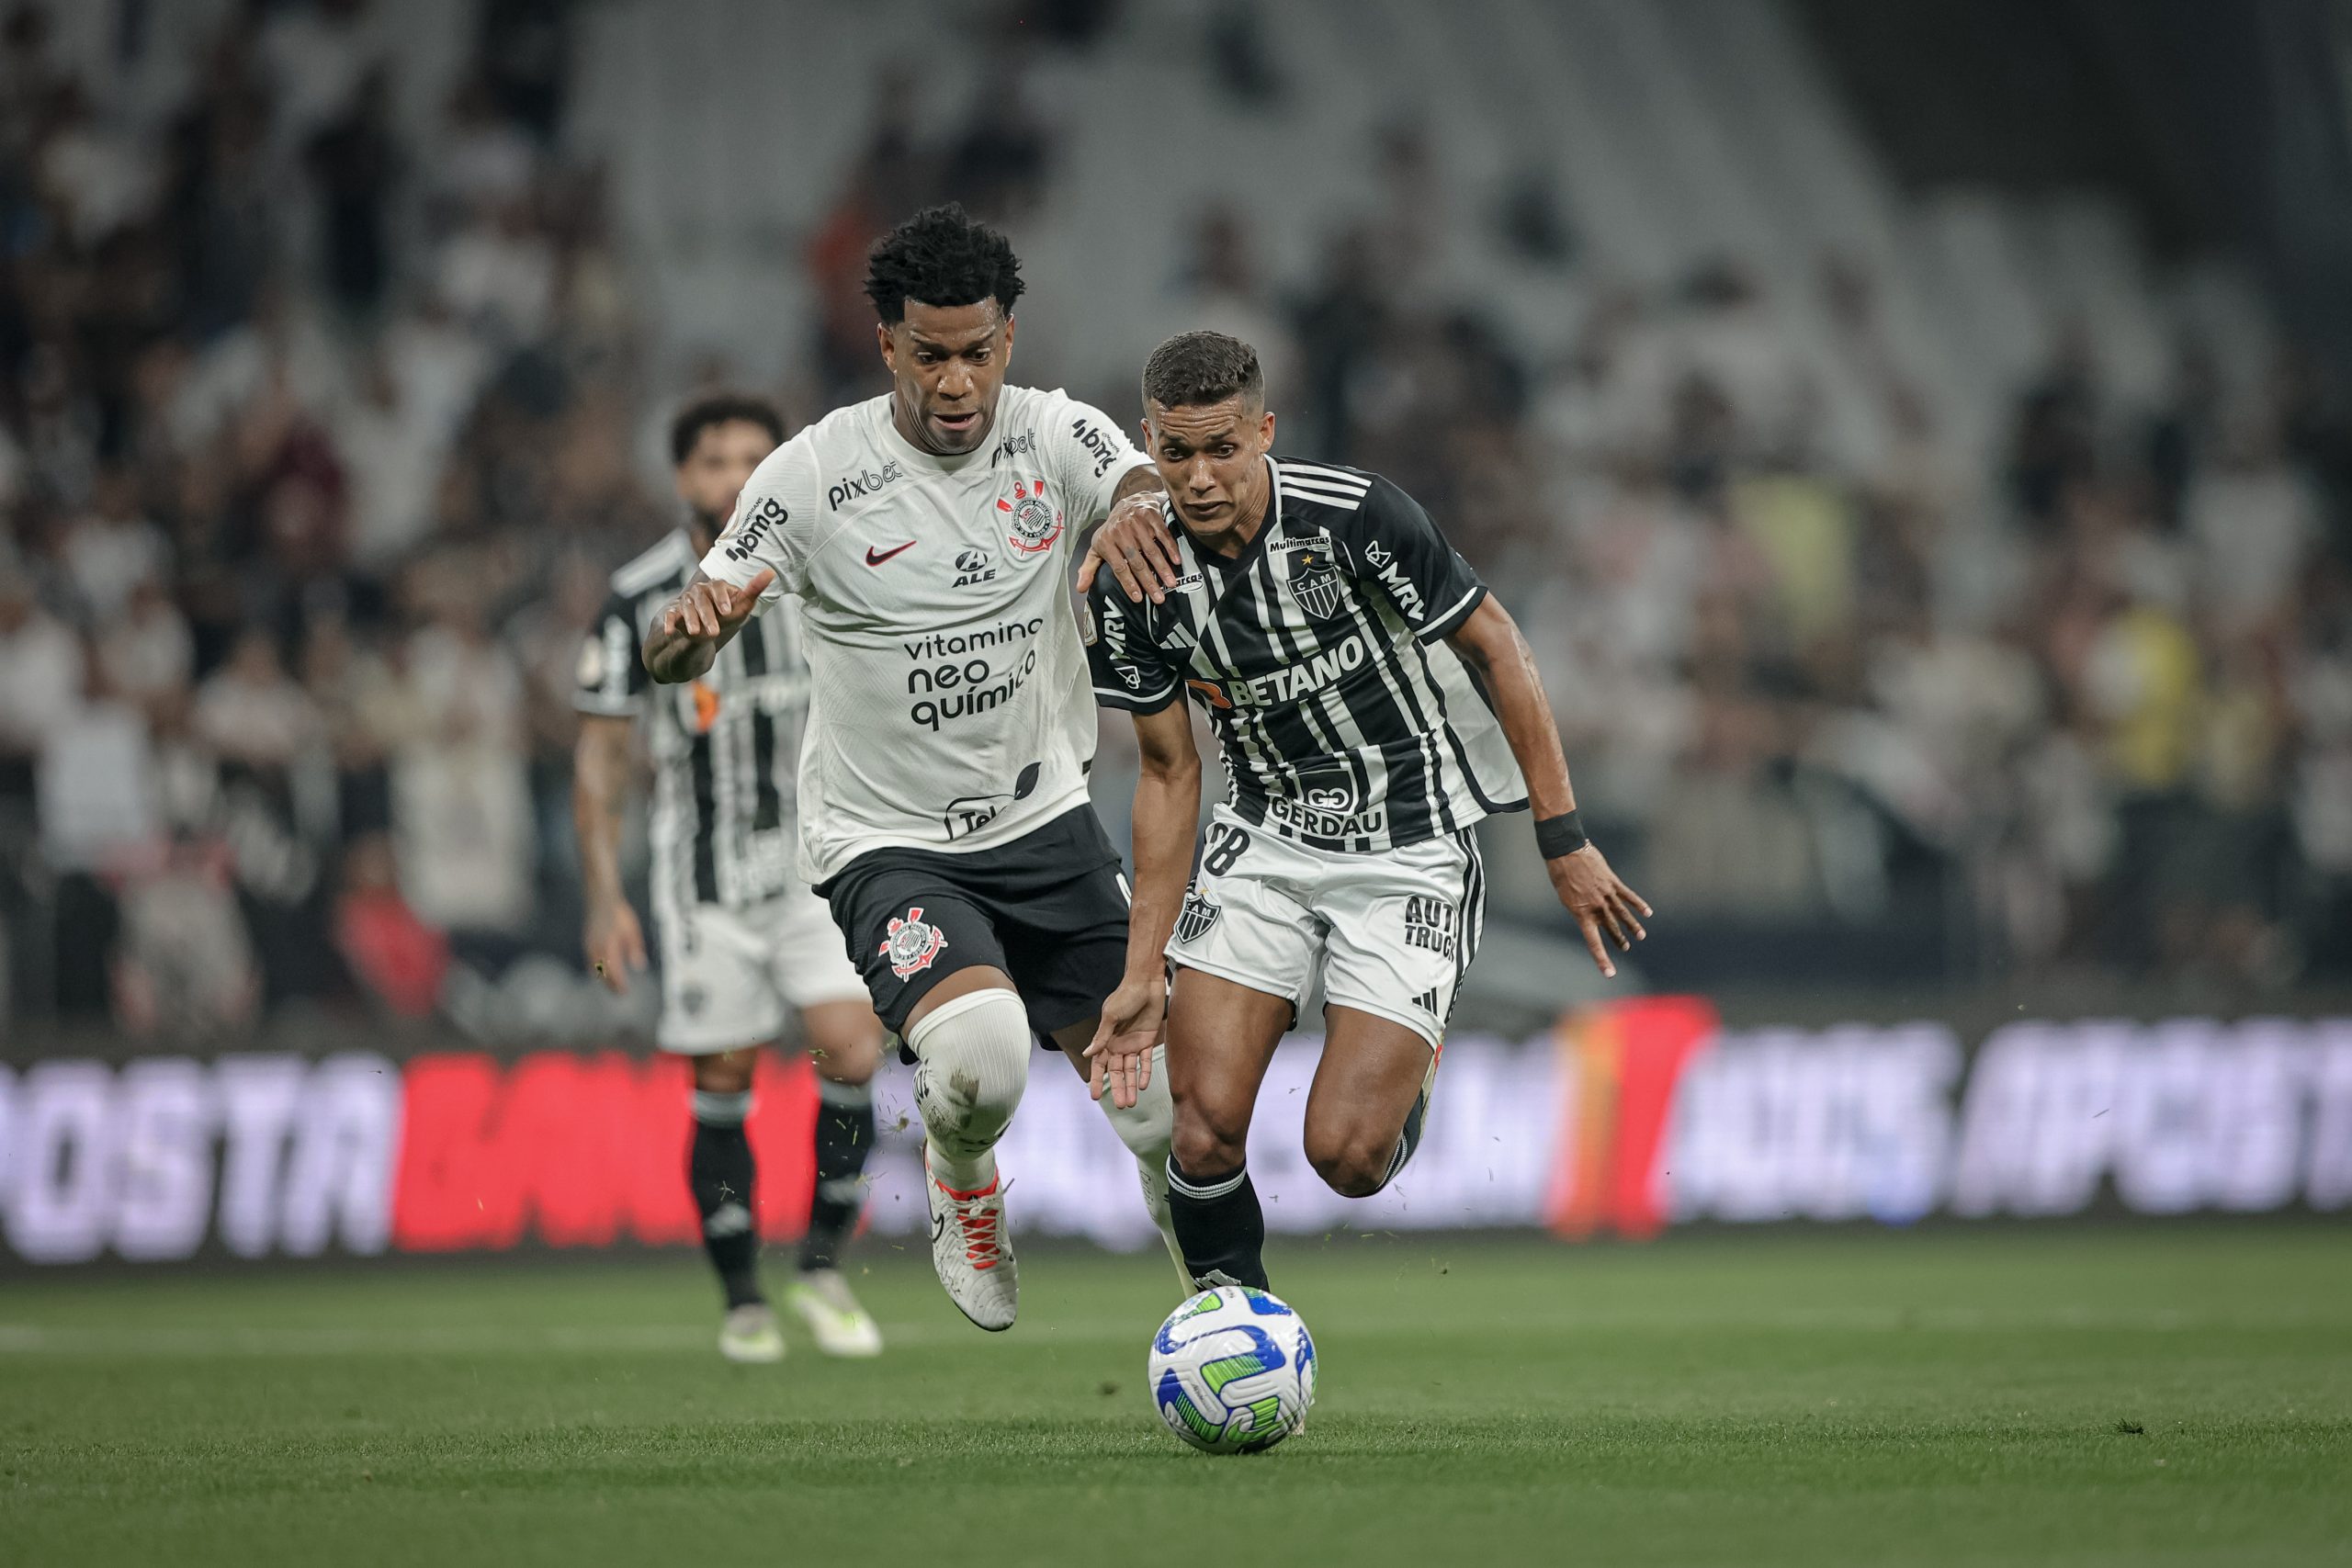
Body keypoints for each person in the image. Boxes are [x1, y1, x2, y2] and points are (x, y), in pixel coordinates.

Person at [640, 206, 1183, 1332]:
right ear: (885, 343)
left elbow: (1133, 478)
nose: (953, 381)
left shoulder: (1050, 434)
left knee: (1164, 1117)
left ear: (1007, 342)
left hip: (1044, 823)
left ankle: (1217, 1309)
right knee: (981, 1058)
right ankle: (963, 1176)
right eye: (927, 354)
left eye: (975, 352)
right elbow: (686, 633)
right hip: (888, 841)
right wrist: (692, 626)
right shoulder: (812, 474)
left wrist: (1137, 513)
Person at [1081, 331, 1652, 1292]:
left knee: (1345, 1158)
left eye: (1224, 447)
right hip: (1262, 839)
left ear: (1265, 431)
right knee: (1202, 1126)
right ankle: (1241, 1330)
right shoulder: (1136, 581)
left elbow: (1499, 648)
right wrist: (1143, 971)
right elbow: (1170, 775)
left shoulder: (1353, 518)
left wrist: (1562, 840)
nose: (1201, 476)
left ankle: (1407, 1074)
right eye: (1176, 454)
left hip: (1411, 844)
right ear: (1150, 445)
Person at [574, 392, 887, 1363]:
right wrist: (602, 895)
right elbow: (600, 756)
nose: (735, 477)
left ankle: (824, 1266)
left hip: (817, 866)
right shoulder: (638, 595)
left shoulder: (821, 563)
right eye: (715, 461)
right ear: (683, 479)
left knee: (854, 1052)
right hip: (701, 877)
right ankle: (743, 1296)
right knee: (724, 1081)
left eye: (755, 458)